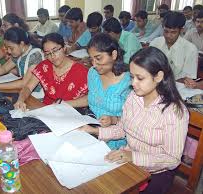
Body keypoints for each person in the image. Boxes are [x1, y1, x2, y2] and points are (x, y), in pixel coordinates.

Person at [80, 46, 189, 194]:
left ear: (158, 76)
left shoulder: (175, 112)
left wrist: (132, 157)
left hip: (155, 173)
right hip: (128, 160)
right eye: (132, 77)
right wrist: (94, 131)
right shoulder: (134, 97)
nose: (133, 83)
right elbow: (122, 129)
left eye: (140, 78)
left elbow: (172, 159)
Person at [14, 33, 88, 110]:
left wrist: (64, 104)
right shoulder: (44, 66)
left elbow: (90, 99)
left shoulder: (81, 71)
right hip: (46, 110)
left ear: (64, 48)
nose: (52, 56)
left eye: (55, 51)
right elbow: (28, 87)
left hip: (70, 112)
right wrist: (20, 100)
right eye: (48, 53)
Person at [87, 33, 131, 149]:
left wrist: (113, 120)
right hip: (91, 131)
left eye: (98, 58)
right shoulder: (93, 73)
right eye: (91, 59)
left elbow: (135, 120)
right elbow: (93, 97)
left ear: (114, 54)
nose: (94, 64)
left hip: (117, 140)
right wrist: (65, 103)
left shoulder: (129, 81)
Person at [150, 12, 198, 82]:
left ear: (181, 30)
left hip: (177, 86)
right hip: (154, 82)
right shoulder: (155, 42)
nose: (168, 36)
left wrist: (168, 84)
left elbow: (188, 78)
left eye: (173, 32)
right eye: (166, 31)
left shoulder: (190, 49)